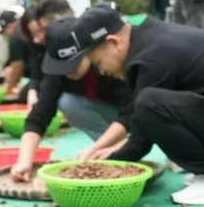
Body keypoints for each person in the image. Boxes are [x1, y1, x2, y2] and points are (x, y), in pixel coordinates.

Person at [66, 2, 204, 206]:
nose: (101, 71)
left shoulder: (151, 58)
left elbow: (142, 137)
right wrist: (109, 150)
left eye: (97, 63)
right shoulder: (150, 39)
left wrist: (109, 160)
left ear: (114, 42)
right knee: (149, 103)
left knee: (149, 103)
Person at [9, 13, 135, 182]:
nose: (69, 73)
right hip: (109, 117)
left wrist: (95, 148)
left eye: (73, 65)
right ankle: (110, 151)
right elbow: (39, 116)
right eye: (63, 67)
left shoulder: (111, 62)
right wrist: (24, 161)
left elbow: (130, 113)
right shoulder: (58, 74)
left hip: (136, 117)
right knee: (67, 103)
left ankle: (123, 148)